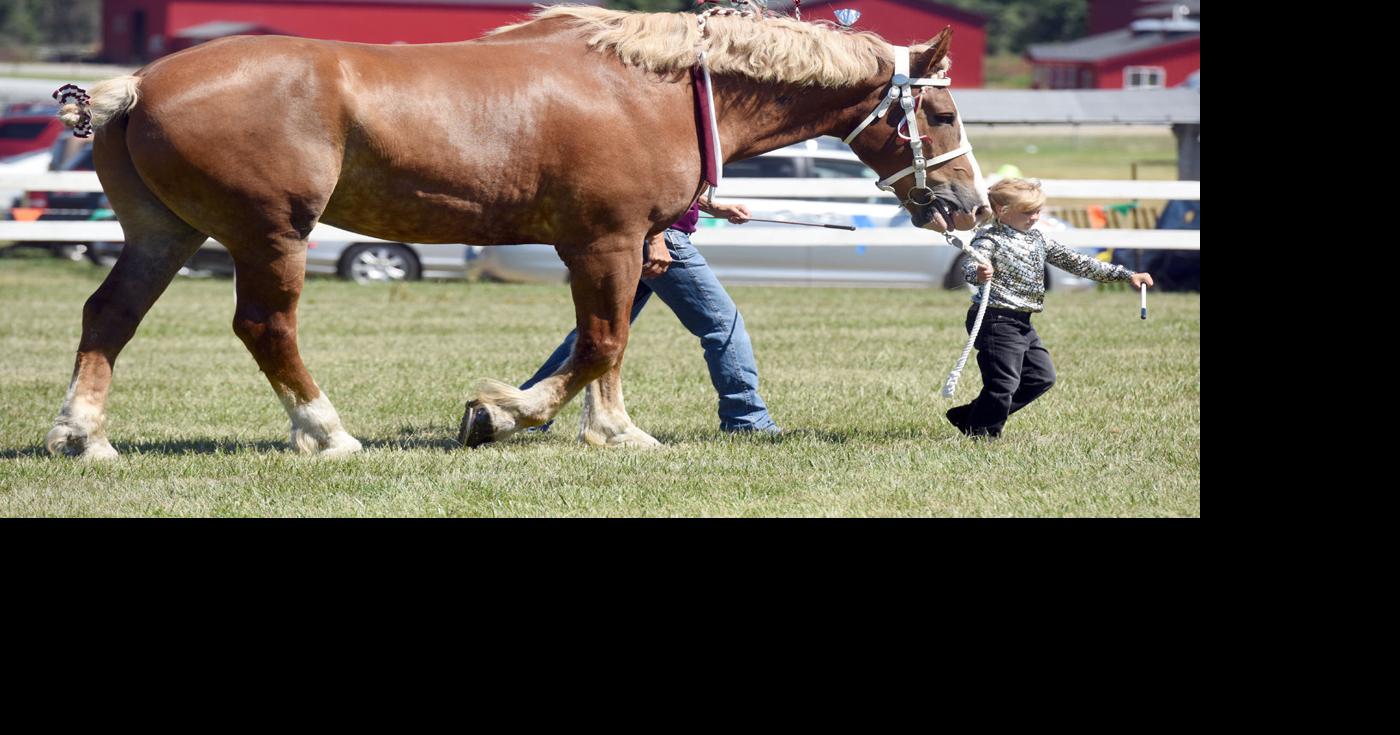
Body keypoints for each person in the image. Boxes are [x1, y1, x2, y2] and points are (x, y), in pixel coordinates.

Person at [521, 188, 781, 434]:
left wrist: (710, 205)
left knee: (595, 335)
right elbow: (649, 182)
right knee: (723, 325)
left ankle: (525, 412)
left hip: (646, 236)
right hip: (661, 239)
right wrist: (656, 238)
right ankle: (746, 418)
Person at [946, 178, 1153, 439]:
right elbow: (971, 266)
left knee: (1040, 377)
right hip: (995, 320)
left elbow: (1077, 263)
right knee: (1003, 383)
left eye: (1037, 211)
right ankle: (983, 434)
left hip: (1022, 321)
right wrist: (978, 272)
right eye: (1028, 212)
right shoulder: (989, 239)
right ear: (1002, 211)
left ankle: (970, 417)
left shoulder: (1038, 239)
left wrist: (1126, 275)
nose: (1035, 217)